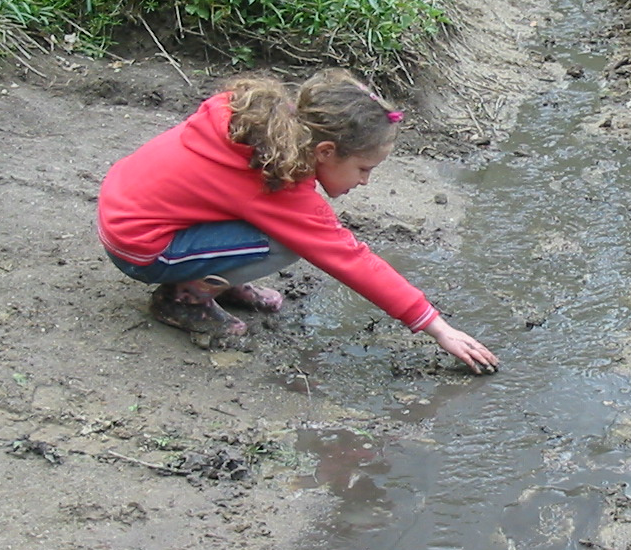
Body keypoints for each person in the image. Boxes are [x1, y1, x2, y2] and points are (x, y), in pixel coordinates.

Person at [97, 68, 499, 374]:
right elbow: (348, 257)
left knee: (280, 232)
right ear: (325, 150)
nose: (365, 181)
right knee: (289, 240)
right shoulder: (277, 184)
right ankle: (183, 297)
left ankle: (218, 278)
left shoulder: (260, 129)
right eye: (363, 169)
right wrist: (437, 328)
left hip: (124, 208)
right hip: (140, 248)